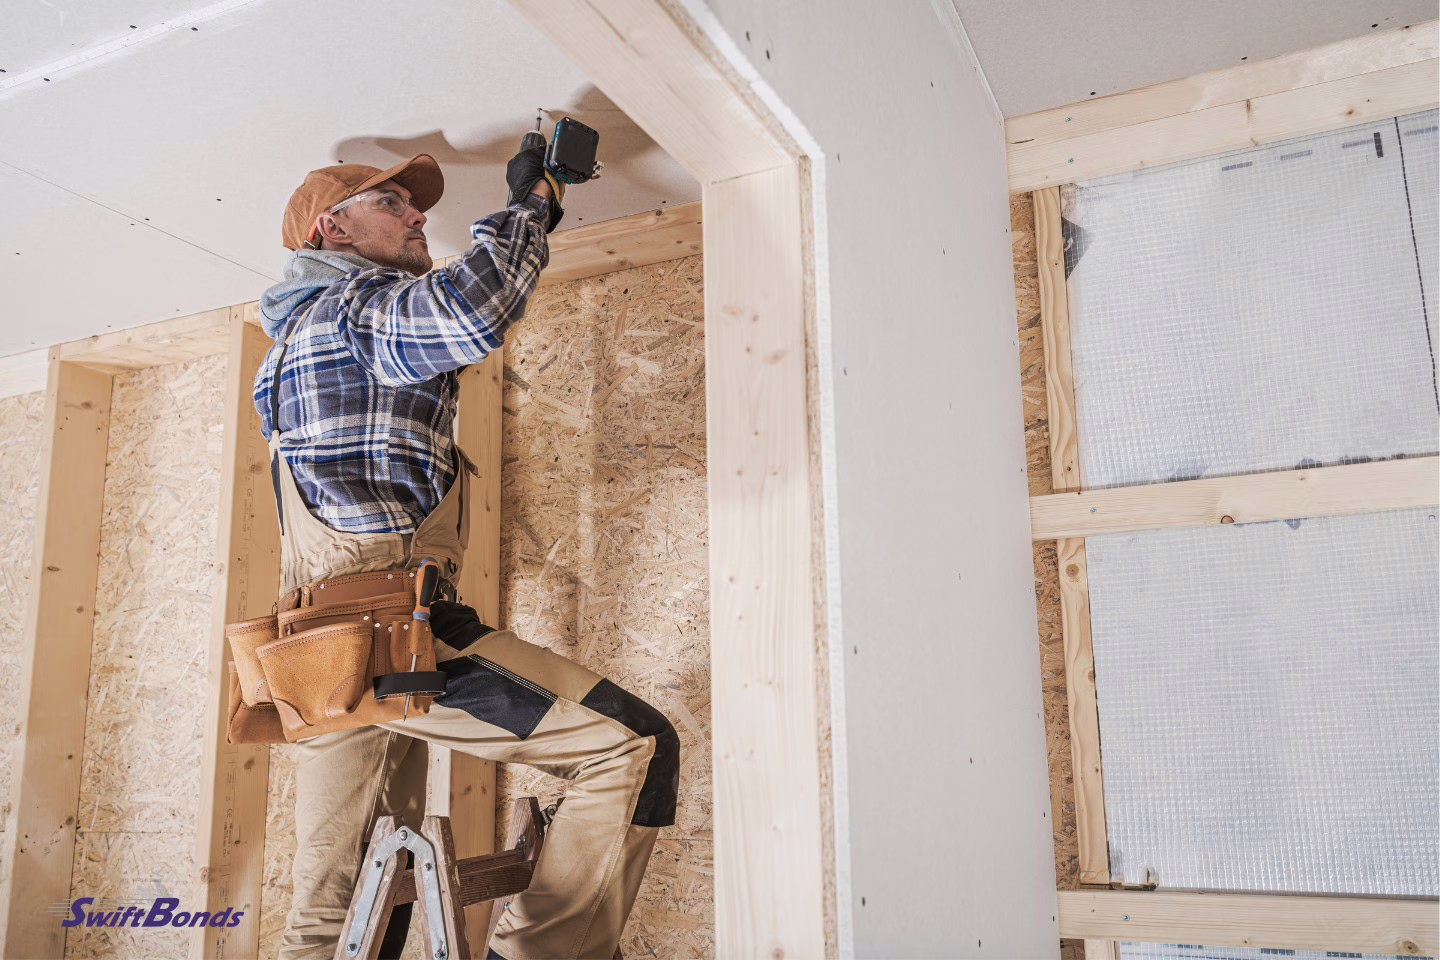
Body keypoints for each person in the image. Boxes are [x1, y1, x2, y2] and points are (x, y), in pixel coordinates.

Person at [254, 148, 679, 960]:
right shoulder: (351, 310)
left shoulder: (297, 346)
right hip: (391, 632)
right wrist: (534, 201)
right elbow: (471, 310)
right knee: (631, 746)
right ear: (330, 229)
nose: (419, 216)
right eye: (392, 204)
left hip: (320, 655)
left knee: (341, 909)